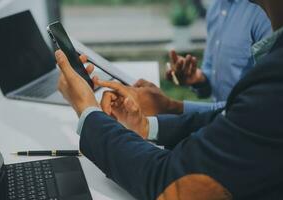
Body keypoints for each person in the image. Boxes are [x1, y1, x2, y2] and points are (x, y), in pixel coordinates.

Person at [55, 0, 283, 199]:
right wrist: (146, 126)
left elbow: (172, 182)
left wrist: (88, 111)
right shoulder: (218, 10)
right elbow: (236, 112)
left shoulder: (275, 76)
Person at [142, 0, 272, 116]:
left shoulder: (264, 13)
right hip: (218, 122)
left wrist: (172, 106)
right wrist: (198, 79)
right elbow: (210, 78)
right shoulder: (216, 7)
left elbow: (260, 105)